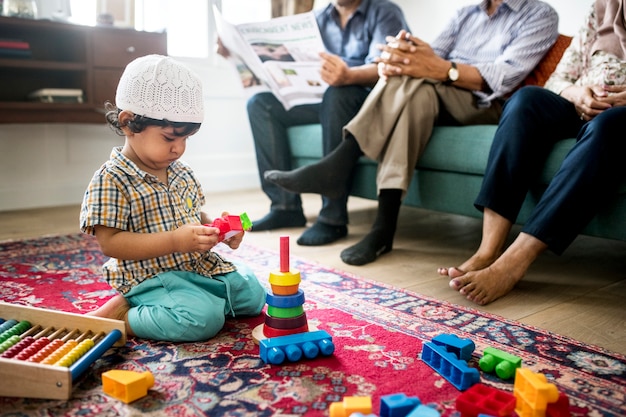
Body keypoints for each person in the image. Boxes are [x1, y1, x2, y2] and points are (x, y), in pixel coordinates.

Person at [265, 0, 560, 265]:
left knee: (419, 80)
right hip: (436, 92)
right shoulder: (465, 13)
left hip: (485, 101)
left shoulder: (539, 14)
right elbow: (431, 55)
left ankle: (342, 161)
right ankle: (383, 229)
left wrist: (439, 69)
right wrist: (407, 55)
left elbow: (502, 77)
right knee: (412, 83)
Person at [437, 0, 626, 305]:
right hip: (582, 104)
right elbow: (559, 79)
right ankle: (488, 249)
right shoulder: (603, 8)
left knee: (610, 126)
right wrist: (577, 94)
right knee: (526, 101)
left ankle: (514, 263)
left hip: (619, 117)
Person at [80, 55, 266, 342]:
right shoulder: (111, 179)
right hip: (150, 276)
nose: (178, 149)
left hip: (195, 267)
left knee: (254, 295)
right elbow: (110, 243)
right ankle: (125, 317)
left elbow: (194, 217)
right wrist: (175, 241)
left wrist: (218, 229)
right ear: (128, 123)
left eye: (186, 139)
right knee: (201, 321)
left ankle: (190, 298)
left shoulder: (182, 173)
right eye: (169, 138)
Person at [244, 0, 410, 246]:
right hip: (319, 96)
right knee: (260, 103)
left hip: (365, 100)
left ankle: (333, 217)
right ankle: (284, 206)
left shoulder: (384, 12)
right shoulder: (317, 18)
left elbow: (389, 66)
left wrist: (349, 76)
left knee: (338, 93)